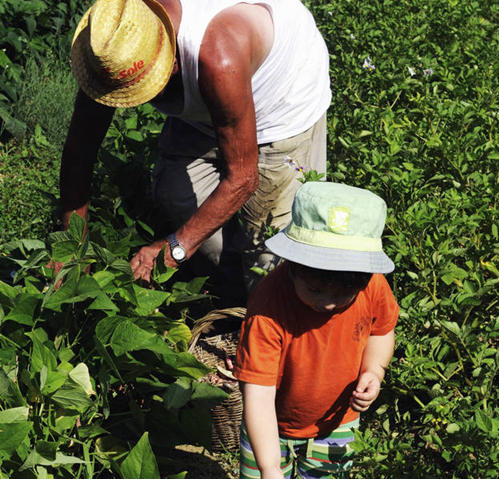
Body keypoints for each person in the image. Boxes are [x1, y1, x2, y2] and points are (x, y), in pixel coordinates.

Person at [60, 0, 330, 301]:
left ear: (172, 63)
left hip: (278, 105)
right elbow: (80, 150)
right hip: (213, 90)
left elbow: (243, 177)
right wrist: (72, 250)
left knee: (269, 251)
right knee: (175, 193)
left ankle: (271, 305)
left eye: (142, 89)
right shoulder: (112, 46)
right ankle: (234, 295)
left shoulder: (218, 57)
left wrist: (175, 249)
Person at [233, 181, 400, 479]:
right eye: (315, 290)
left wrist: (374, 371)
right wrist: (269, 465)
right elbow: (258, 394)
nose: (328, 302)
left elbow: (382, 330)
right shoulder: (268, 306)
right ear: (292, 265)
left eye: (343, 293)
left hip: (337, 419)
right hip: (270, 424)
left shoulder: (373, 286)